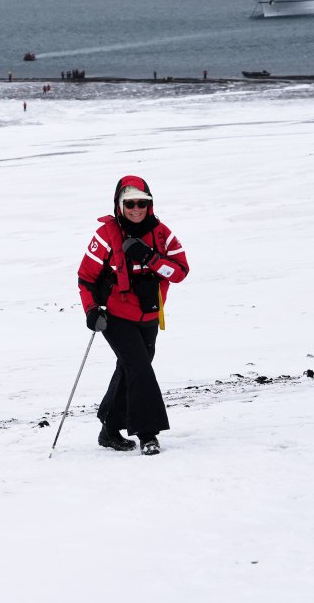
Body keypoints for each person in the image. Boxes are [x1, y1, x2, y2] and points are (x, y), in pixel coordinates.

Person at [76, 176, 189, 456]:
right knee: (139, 367)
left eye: (142, 203)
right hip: (114, 315)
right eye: (130, 204)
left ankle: (109, 428)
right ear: (119, 205)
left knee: (131, 367)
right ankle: (147, 433)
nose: (136, 209)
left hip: (149, 314)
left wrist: (150, 258)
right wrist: (91, 310)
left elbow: (179, 273)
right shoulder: (105, 235)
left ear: (150, 204)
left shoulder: (162, 234)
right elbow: (86, 278)